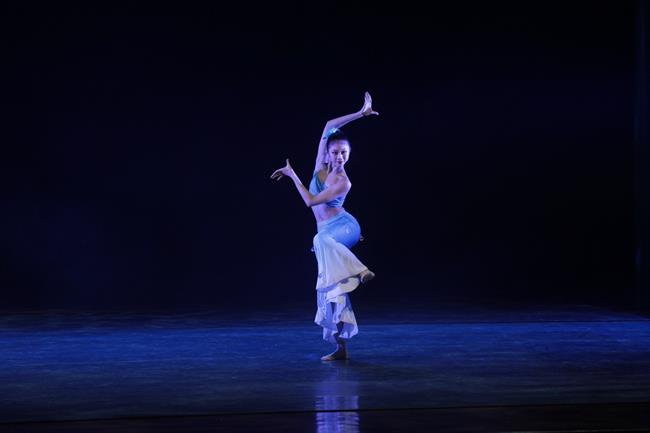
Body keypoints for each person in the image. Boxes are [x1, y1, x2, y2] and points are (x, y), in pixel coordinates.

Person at [270, 91, 378, 361]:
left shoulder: (343, 182)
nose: (340, 156)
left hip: (345, 228)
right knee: (330, 287)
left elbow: (309, 201)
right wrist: (361, 114)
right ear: (327, 154)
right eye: (336, 152)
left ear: (348, 155)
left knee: (320, 242)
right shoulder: (320, 166)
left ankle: (361, 270)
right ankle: (341, 348)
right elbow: (330, 125)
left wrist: (292, 175)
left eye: (344, 153)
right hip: (326, 233)